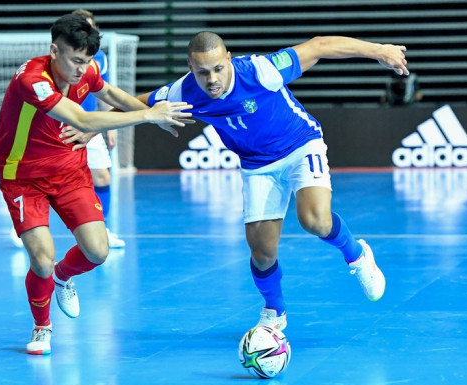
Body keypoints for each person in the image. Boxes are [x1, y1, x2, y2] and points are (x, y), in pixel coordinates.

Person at [138, 32, 409, 330]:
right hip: (257, 166)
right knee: (262, 253)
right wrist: (100, 127)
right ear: (191, 67)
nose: (212, 79)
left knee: (315, 220)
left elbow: (319, 46)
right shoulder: (182, 92)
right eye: (202, 72)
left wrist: (380, 50)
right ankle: (275, 310)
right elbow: (134, 102)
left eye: (218, 68)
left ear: (229, 59)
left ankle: (357, 255)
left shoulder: (260, 70)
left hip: (300, 145)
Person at [0, 14, 191, 355]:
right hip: (23, 178)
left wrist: (157, 110)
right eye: (75, 60)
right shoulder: (32, 80)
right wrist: (147, 116)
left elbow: (113, 94)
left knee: (97, 251)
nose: (82, 69)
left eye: (87, 61)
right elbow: (82, 118)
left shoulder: (86, 70)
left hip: (69, 170)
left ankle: (62, 277)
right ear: (54, 51)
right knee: (41, 258)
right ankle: (42, 327)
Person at [72, 8, 125, 248]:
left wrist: (109, 127)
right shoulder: (61, 57)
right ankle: (22, 227)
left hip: (90, 124)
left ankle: (103, 229)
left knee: (102, 175)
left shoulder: (99, 56)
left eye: (92, 27)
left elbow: (102, 90)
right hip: (62, 124)